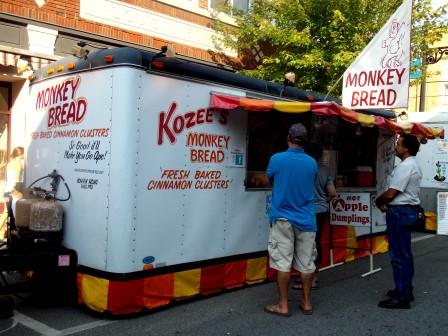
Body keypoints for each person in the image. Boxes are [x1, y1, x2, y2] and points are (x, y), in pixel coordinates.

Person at [264, 123, 317, 317]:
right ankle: (306, 303)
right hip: (307, 219)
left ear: (289, 137)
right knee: (306, 263)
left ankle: (283, 305)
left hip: (282, 218)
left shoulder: (277, 159)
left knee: (283, 263)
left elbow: (270, 179)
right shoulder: (312, 163)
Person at [375, 134, 422, 309]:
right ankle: (404, 289)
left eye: (398, 144)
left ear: (406, 149)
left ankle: (402, 296)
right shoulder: (411, 164)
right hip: (405, 212)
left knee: (399, 255)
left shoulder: (406, 166)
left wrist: (378, 201)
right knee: (404, 254)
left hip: (400, 212)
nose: (396, 147)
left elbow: (391, 193)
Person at [292, 143, 336, 290]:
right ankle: (314, 276)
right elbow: (332, 193)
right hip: (321, 211)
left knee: (304, 243)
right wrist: (323, 202)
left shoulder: (302, 168)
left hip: (304, 211)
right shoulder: (324, 171)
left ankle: (308, 278)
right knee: (315, 241)